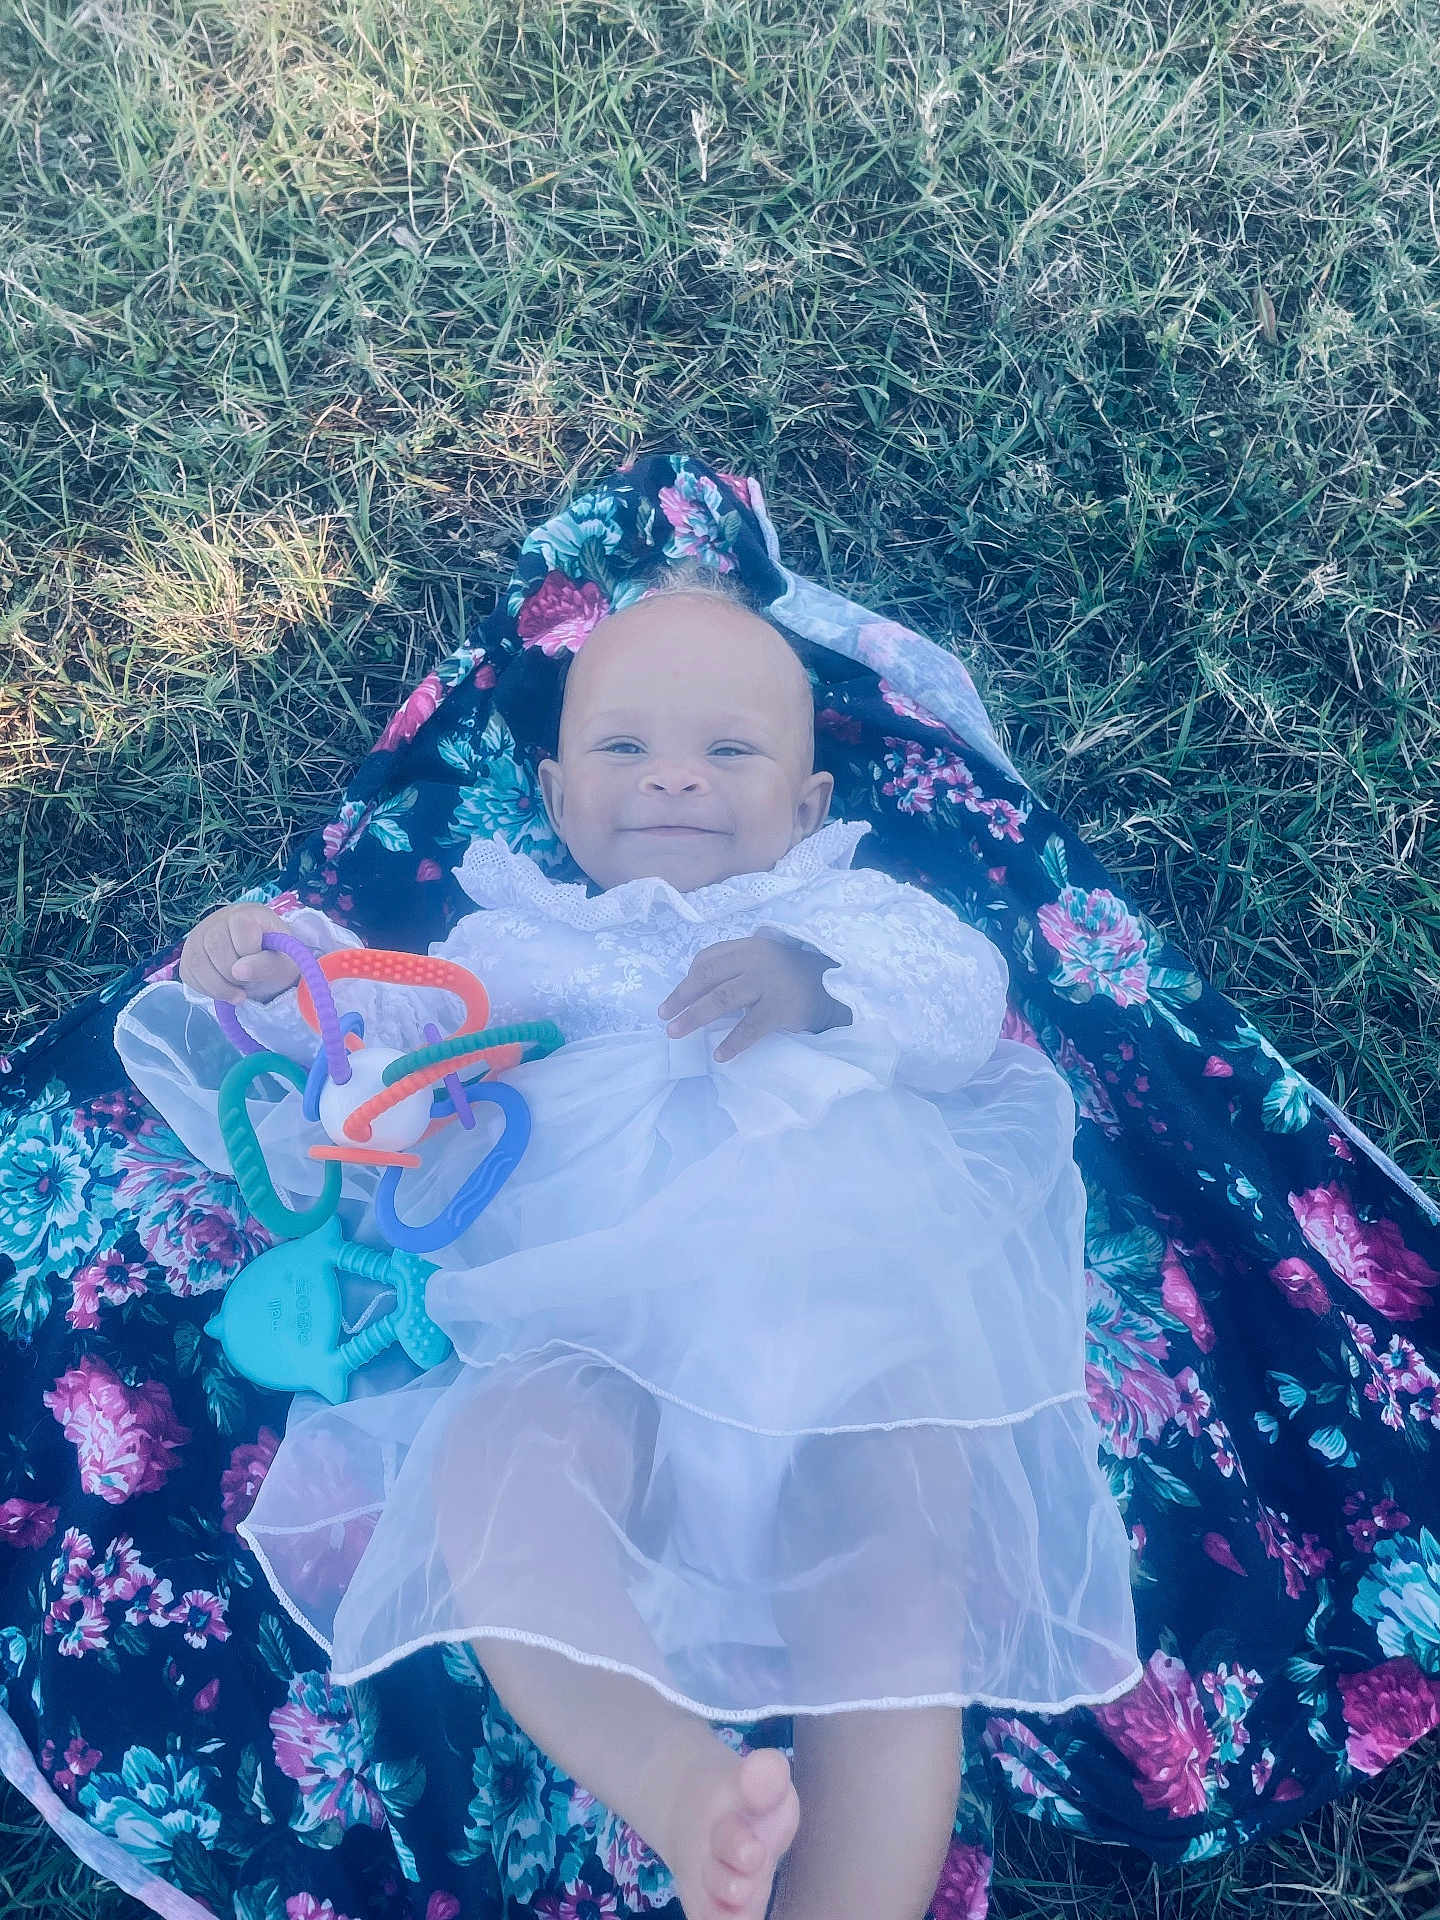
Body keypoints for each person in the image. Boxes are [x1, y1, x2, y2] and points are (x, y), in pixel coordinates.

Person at [115, 565, 1142, 1920]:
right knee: (490, 1474)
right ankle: (673, 1783)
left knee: (899, 1593)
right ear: (551, 800)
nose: (673, 780)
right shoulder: (514, 942)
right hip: (589, 1329)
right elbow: (393, 1048)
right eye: (623, 748)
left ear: (810, 804)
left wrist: (812, 983)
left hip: (845, 1334)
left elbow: (964, 1002)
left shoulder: (849, 911)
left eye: (729, 750)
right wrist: (284, 970)